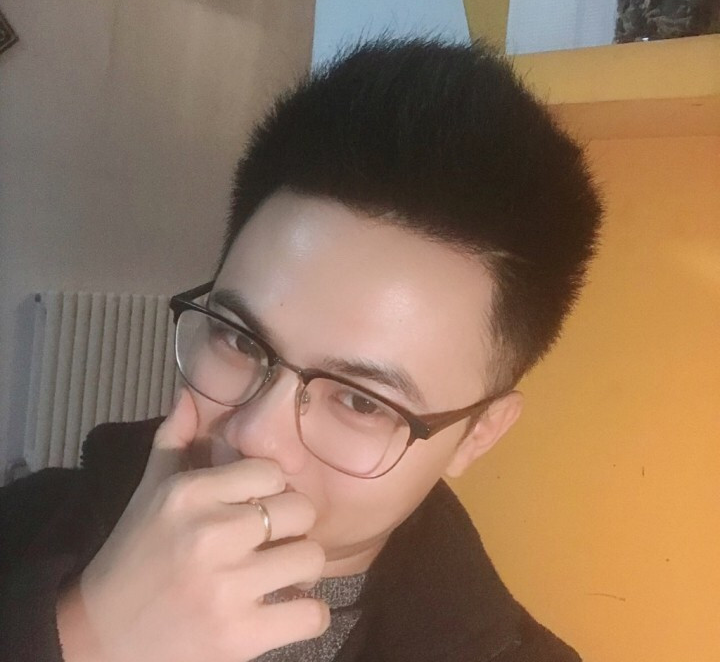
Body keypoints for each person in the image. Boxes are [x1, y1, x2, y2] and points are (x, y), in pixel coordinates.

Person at [0, 38, 603, 662]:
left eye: (362, 402)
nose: (255, 435)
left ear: (479, 433)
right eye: (240, 339)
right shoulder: (23, 523)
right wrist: (81, 636)